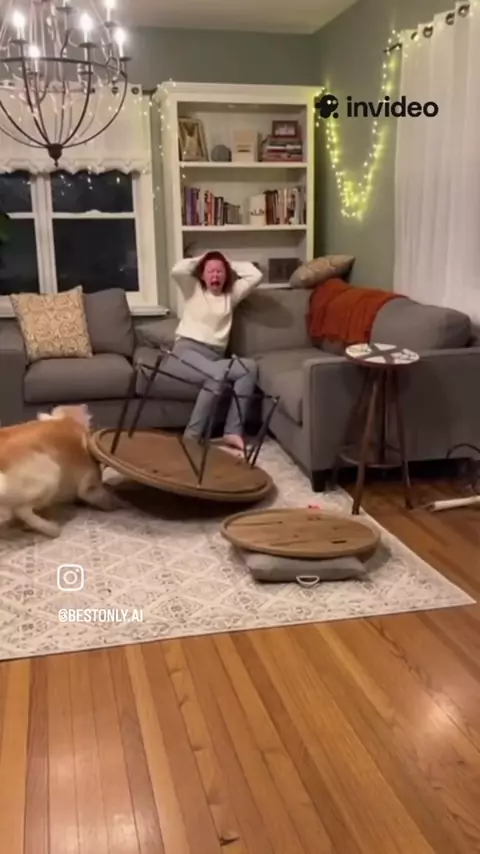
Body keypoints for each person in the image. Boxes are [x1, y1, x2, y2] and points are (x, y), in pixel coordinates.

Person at [165, 250, 263, 452]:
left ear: (226, 275)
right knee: (216, 375)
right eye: (210, 271)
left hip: (214, 358)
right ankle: (191, 437)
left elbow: (255, 275)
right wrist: (204, 258)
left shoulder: (231, 295)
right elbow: (177, 270)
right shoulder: (193, 289)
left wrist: (227, 261)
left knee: (248, 368)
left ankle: (232, 431)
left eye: (219, 271)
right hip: (186, 351)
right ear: (202, 275)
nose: (215, 275)